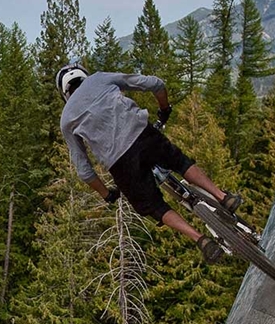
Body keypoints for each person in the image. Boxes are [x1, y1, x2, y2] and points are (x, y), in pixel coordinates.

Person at [56, 64, 242, 264]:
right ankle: (223, 197)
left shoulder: (66, 119)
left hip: (120, 163)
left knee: (153, 206)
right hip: (143, 135)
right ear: (85, 76)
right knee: (179, 162)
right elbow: (155, 84)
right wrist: (164, 109)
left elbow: (84, 171)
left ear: (65, 93)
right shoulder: (100, 78)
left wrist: (107, 194)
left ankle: (201, 240)